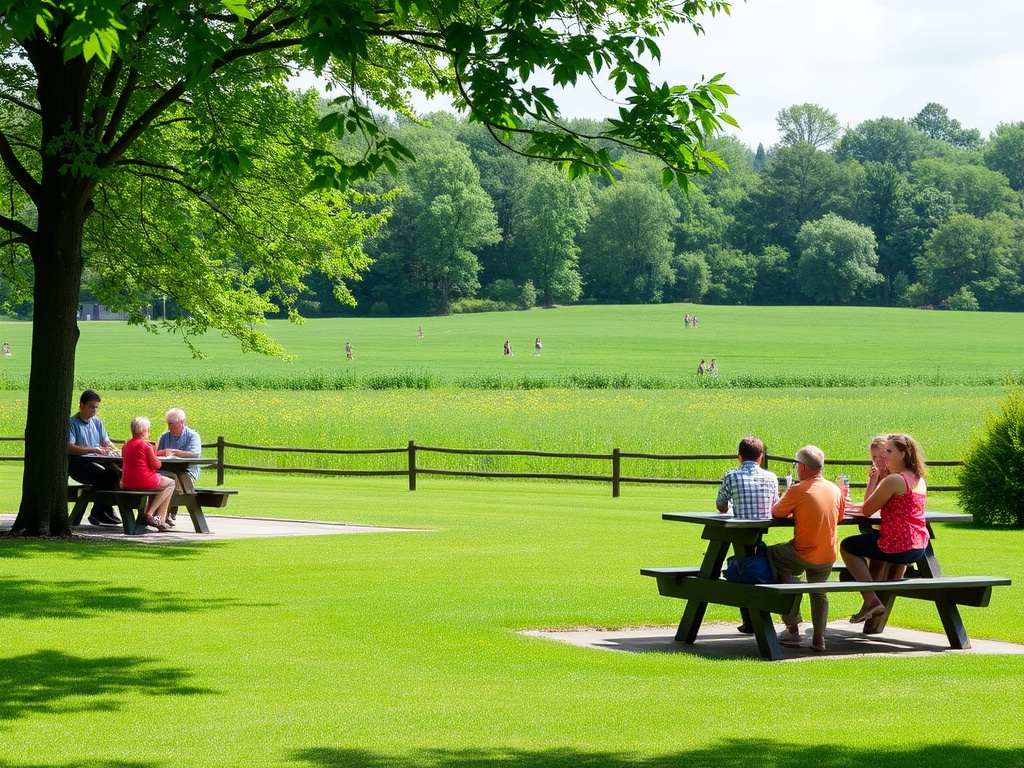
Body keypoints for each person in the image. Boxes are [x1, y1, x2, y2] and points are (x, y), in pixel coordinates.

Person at [841, 433, 929, 622]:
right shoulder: (919, 479)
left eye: (889, 451)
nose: (884, 455)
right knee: (871, 549)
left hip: (898, 545)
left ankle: (871, 600)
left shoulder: (894, 480)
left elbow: (867, 510)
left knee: (848, 545)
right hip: (919, 546)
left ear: (903, 454)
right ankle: (872, 605)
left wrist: (846, 506)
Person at [767, 445, 845, 652]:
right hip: (827, 554)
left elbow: (777, 512)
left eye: (795, 464)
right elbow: (839, 517)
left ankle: (792, 627)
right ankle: (819, 639)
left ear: (802, 467)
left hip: (802, 553)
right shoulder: (835, 489)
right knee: (819, 591)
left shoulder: (799, 489)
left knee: (769, 556)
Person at [67, 389, 121, 526]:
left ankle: (103, 509)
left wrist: (115, 450)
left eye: (96, 407)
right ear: (81, 405)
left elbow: (106, 442)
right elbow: (69, 447)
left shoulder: (97, 423)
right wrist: (92, 449)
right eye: (91, 406)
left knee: (118, 473)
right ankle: (100, 511)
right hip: (78, 464)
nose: (94, 410)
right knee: (107, 475)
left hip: (98, 462)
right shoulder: (72, 423)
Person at [121, 416, 175, 531]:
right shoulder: (146, 446)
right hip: (144, 480)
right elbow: (156, 465)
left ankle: (159, 519)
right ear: (144, 431)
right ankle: (150, 514)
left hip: (127, 482)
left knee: (162, 486)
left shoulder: (126, 445)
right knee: (171, 483)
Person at [716, 436, 779, 519]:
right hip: (762, 528)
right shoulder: (772, 477)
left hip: (739, 528)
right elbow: (775, 506)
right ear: (761, 457)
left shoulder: (731, 476)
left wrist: (730, 506)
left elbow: (721, 505)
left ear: (739, 457)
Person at [864, 435, 890, 499]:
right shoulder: (876, 474)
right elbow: (867, 503)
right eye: (873, 457)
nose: (876, 460)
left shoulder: (896, 475)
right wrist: (872, 481)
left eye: (882, 456)